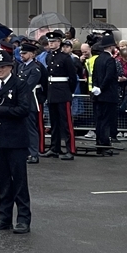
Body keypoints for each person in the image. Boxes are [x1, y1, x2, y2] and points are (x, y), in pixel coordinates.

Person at [0, 49, 32, 234]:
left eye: (2, 67)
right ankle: (4, 217)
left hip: (16, 140)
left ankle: (24, 219)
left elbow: (24, 109)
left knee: (19, 181)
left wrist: (1, 111)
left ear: (10, 66)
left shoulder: (20, 84)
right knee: (2, 181)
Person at [44, 31, 77, 160]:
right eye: (50, 42)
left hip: (63, 93)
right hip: (52, 92)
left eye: (54, 42)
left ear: (59, 42)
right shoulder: (49, 56)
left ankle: (70, 149)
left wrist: (70, 92)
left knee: (66, 123)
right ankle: (55, 147)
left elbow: (72, 78)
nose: (51, 44)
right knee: (54, 123)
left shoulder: (65, 58)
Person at [91, 33, 120, 155]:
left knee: (99, 120)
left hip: (99, 94)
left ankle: (99, 144)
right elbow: (109, 77)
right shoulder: (110, 60)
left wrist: (96, 88)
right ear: (110, 46)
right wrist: (102, 88)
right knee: (107, 121)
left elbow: (95, 75)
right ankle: (105, 145)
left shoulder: (98, 59)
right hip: (108, 95)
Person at [16, 42, 44, 163]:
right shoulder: (21, 67)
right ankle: (26, 151)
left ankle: (34, 153)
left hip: (30, 100)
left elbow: (28, 85)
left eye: (25, 53)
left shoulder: (35, 68)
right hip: (21, 100)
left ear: (32, 54)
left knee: (31, 128)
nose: (22, 55)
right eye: (21, 53)